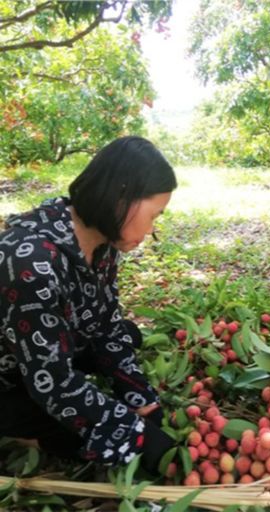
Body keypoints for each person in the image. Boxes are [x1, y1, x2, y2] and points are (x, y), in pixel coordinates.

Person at [0, 136, 177, 474]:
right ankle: (21, 432)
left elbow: (107, 324)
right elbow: (51, 381)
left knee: (125, 335)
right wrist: (134, 433)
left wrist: (143, 399)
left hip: (45, 349)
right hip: (9, 378)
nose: (152, 230)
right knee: (92, 437)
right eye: (155, 215)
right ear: (120, 198)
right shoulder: (30, 263)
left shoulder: (103, 241)